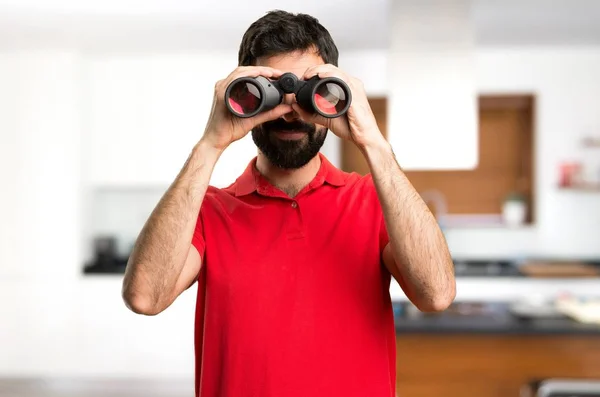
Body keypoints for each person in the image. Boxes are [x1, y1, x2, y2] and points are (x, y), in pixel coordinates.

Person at [122, 10, 455, 397]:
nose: (291, 112)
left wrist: (374, 144)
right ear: (245, 92)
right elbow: (145, 297)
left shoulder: (373, 200)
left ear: (332, 92)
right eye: (273, 91)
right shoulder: (208, 210)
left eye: (309, 90)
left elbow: (436, 294)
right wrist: (209, 144)